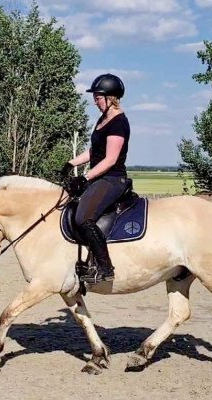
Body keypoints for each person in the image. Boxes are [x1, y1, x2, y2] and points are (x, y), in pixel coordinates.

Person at [62, 73, 131, 285]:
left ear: (111, 98)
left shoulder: (119, 122)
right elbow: (95, 151)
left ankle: (105, 266)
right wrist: (71, 163)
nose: (95, 101)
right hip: (99, 177)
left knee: (84, 217)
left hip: (112, 179)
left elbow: (110, 159)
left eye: (98, 97)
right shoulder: (103, 120)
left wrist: (84, 177)